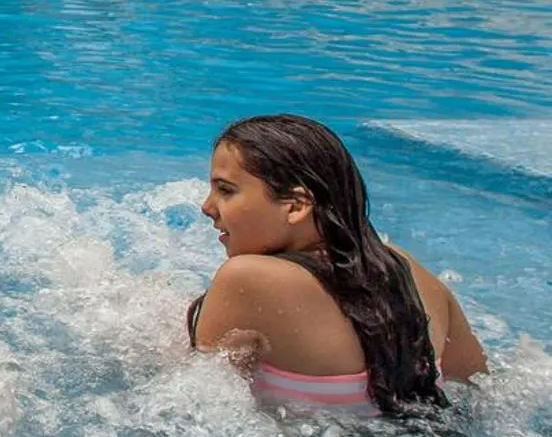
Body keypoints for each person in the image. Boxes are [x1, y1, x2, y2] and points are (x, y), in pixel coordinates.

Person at [188, 113, 486, 414]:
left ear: (295, 206)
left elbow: (193, 402)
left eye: (225, 190)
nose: (207, 207)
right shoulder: (407, 268)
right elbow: (478, 388)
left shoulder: (246, 278)